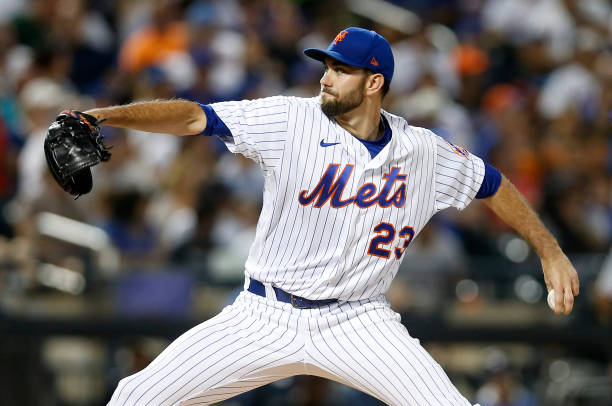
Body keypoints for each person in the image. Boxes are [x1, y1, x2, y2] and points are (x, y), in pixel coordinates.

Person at [80, 27, 578, 406]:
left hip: (358, 320)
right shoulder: (291, 119)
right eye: (326, 65)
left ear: (373, 82)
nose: (325, 76)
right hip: (263, 314)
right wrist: (102, 117)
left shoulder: (422, 152)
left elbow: (491, 183)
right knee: (135, 398)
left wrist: (550, 251)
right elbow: (194, 116)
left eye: (340, 69)